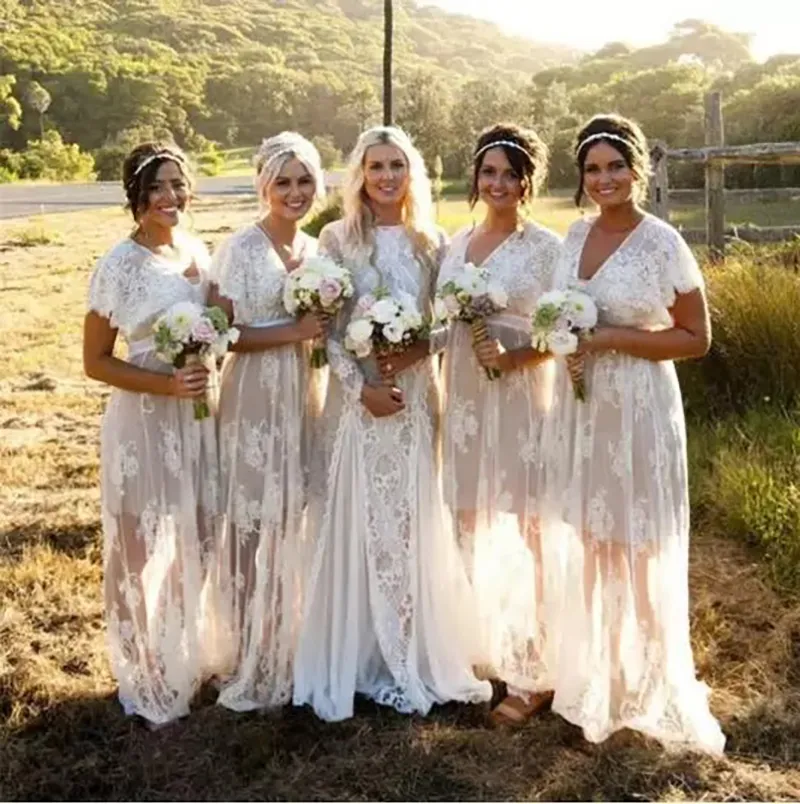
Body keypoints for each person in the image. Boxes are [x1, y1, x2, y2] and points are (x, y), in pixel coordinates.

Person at [293, 126, 492, 722]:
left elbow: (447, 325)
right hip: (354, 402)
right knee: (353, 515)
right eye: (375, 166)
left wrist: (413, 354)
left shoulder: (432, 243)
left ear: (413, 175)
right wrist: (363, 386)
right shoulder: (334, 239)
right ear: (359, 174)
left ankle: (408, 648)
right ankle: (353, 652)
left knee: (406, 519)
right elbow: (324, 330)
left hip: (411, 400)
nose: (386, 177)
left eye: (396, 166)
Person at [542, 113, 725, 753]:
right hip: (583, 408)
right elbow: (560, 315)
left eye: (615, 166)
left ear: (637, 169)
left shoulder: (662, 242)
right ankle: (603, 673)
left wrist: (612, 338)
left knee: (640, 540)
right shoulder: (572, 236)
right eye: (592, 169)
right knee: (594, 541)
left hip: (640, 406)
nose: (604, 179)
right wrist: (565, 344)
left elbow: (697, 339)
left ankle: (649, 679)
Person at [83, 142, 218, 729]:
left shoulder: (197, 251)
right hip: (143, 420)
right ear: (136, 198)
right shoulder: (118, 265)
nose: (171, 198)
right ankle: (141, 669)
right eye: (158, 188)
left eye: (179, 186)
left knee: (198, 536)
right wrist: (164, 388)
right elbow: (95, 361)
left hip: (198, 419)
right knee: (138, 550)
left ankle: (177, 646)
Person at [438, 123, 563, 726]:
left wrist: (515, 356)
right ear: (475, 177)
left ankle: (535, 670)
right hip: (462, 391)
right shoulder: (455, 243)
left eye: (510, 174)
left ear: (528, 181)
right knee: (467, 516)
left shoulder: (546, 248)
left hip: (518, 391)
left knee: (526, 524)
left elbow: (564, 329)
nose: (498, 184)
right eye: (488, 173)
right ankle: (478, 651)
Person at [204, 132, 328, 711]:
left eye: (304, 181)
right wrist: (293, 333)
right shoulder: (239, 248)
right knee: (251, 517)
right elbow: (220, 334)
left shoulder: (317, 252)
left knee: (291, 513)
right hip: (252, 392)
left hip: (303, 390)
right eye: (283, 182)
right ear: (264, 186)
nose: (295, 192)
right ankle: (250, 645)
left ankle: (287, 633)